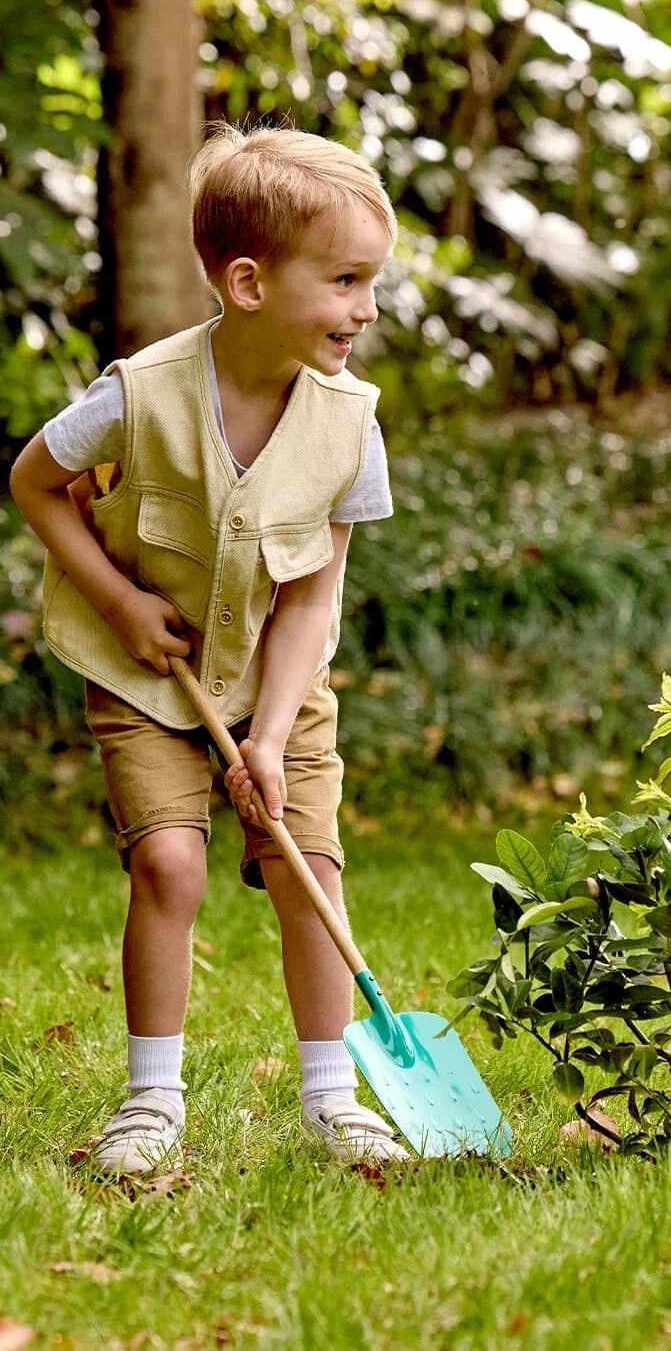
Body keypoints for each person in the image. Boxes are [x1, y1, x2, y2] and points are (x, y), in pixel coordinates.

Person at [8, 124, 408, 1173]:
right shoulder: (138, 394)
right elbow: (33, 483)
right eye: (346, 280)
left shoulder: (350, 425)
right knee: (170, 863)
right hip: (148, 676)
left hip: (279, 685)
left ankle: (333, 1097)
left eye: (372, 281)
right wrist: (120, 604)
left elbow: (314, 598)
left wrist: (269, 739)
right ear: (248, 284)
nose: (368, 308)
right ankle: (152, 1101)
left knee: (305, 868)